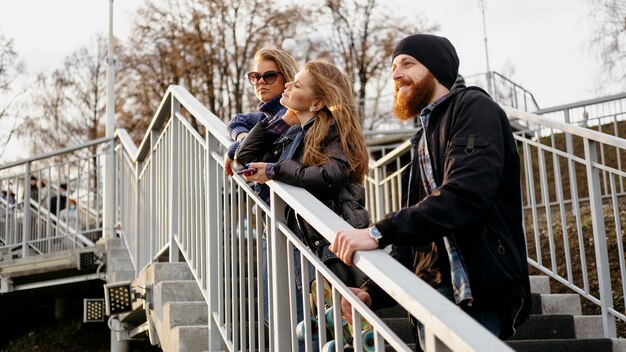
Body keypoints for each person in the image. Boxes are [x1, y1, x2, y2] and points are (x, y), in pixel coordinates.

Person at [330, 34, 531, 349]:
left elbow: (466, 194)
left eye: (407, 64)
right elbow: (410, 246)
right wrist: (372, 291)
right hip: (431, 290)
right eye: (394, 67)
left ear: (436, 69)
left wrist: (379, 230)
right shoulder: (420, 142)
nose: (395, 75)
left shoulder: (474, 109)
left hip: (475, 285)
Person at [224, 47, 299, 177]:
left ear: (287, 78)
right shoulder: (265, 117)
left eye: (269, 76)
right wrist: (244, 139)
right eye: (255, 76)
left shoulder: (292, 116)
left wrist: (241, 146)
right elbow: (237, 120)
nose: (261, 81)